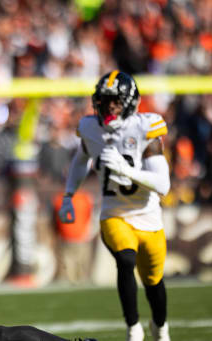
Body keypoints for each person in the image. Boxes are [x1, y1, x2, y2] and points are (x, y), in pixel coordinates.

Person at [58, 71, 171, 341]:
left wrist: (126, 170)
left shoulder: (145, 128)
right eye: (106, 101)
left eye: (116, 102)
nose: (110, 107)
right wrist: (68, 195)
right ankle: (133, 328)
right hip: (114, 213)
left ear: (130, 103)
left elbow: (163, 185)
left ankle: (160, 327)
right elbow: (80, 158)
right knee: (125, 259)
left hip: (148, 216)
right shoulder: (89, 127)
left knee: (153, 281)